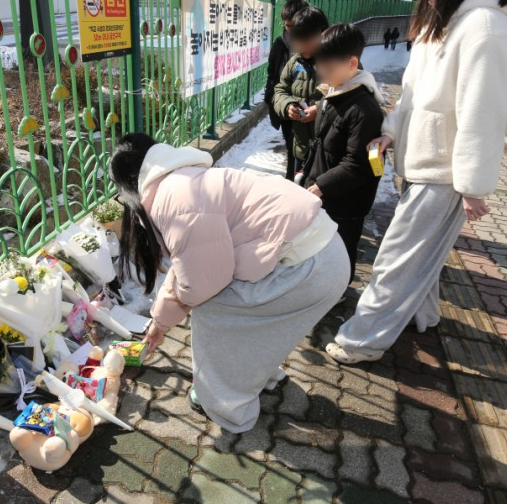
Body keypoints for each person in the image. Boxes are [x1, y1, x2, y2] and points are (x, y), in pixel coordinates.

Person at [326, 0, 507, 364]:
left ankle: (362, 341)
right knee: (420, 255)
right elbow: (414, 96)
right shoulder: (448, 23)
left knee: (397, 258)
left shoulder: (486, 31)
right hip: (422, 164)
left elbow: (483, 114)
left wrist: (473, 184)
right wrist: (392, 133)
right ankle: (424, 316)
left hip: (445, 173)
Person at [110, 133, 350, 433]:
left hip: (307, 268)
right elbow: (192, 264)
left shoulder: (174, 199)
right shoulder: (181, 181)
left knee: (215, 310)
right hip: (322, 257)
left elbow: (201, 284)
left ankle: (225, 404)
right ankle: (253, 377)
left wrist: (167, 318)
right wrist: (159, 322)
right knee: (240, 311)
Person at [302, 23, 385, 274]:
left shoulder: (363, 109)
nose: (321, 71)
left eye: (328, 67)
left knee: (339, 251)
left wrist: (320, 186)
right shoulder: (336, 92)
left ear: (351, 64)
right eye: (319, 64)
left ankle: (337, 293)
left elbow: (360, 165)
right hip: (327, 193)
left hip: (345, 201)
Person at [273, 6, 330, 176]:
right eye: (296, 41)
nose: (300, 47)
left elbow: (350, 99)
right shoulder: (294, 62)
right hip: (301, 148)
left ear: (322, 34)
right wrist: (287, 105)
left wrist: (319, 110)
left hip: (327, 152)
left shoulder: (336, 61)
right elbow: (280, 90)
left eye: (305, 41)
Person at [265, 0, 309, 180]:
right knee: (292, 150)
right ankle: (291, 183)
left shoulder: (322, 48)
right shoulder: (279, 44)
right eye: (286, 25)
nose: (288, 30)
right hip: (287, 111)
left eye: (292, 25)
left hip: (309, 115)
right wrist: (281, 103)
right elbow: (275, 80)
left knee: (305, 155)